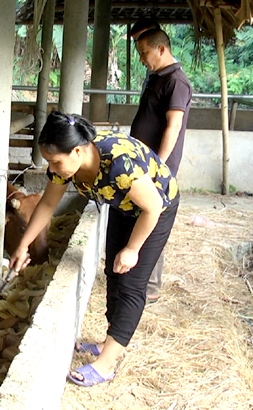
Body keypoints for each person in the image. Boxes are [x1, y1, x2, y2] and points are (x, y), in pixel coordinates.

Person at [10, 111, 180, 387]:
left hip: (156, 208)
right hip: (124, 206)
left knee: (131, 284)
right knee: (113, 273)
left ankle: (106, 364)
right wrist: (23, 244)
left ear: (77, 151)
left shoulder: (118, 164)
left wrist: (133, 248)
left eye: (55, 162)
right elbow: (46, 205)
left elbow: (153, 207)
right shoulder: (68, 165)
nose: (51, 169)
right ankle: (108, 342)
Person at [132, 28, 192, 303]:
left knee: (153, 218)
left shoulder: (177, 82)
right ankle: (137, 276)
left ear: (161, 49)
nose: (142, 59)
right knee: (140, 215)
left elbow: (174, 126)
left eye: (144, 53)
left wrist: (157, 165)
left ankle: (150, 286)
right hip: (143, 164)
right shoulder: (158, 78)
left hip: (155, 168)